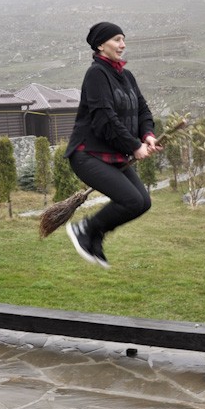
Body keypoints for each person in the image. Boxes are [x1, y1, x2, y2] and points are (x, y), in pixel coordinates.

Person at [64, 22, 160, 268]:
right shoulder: (96, 74)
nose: (123, 44)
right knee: (130, 200)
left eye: (123, 39)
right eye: (117, 39)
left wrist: (147, 135)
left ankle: (95, 237)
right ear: (100, 45)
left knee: (143, 202)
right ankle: (85, 228)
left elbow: (143, 110)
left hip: (114, 153)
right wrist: (134, 145)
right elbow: (105, 117)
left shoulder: (126, 76)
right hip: (88, 154)